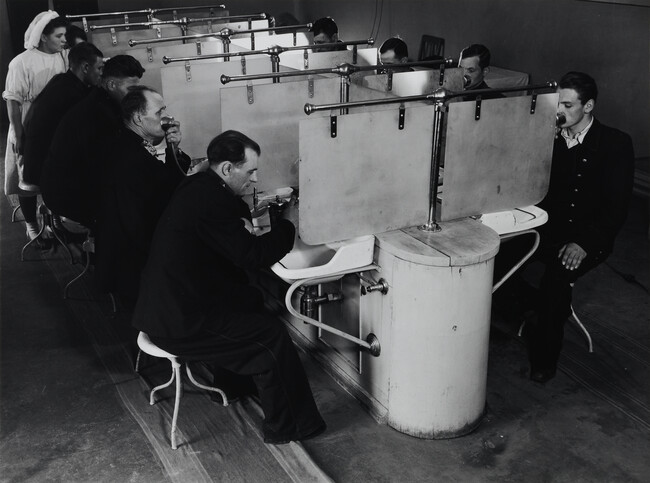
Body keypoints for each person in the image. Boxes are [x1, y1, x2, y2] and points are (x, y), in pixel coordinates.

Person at [132, 130, 326, 445]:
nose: (254, 178)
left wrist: (250, 217)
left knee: (248, 300)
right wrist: (287, 223)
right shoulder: (210, 198)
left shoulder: (200, 185)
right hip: (178, 321)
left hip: (166, 306)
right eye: (249, 171)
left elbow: (223, 236)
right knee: (271, 336)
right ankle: (291, 427)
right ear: (227, 169)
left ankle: (234, 385)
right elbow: (252, 256)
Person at [495, 72, 635, 383]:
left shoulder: (615, 144)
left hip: (588, 237)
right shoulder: (550, 136)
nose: (559, 112)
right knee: (494, 263)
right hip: (548, 228)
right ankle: (536, 311)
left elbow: (616, 209)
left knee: (556, 283)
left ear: (588, 106)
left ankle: (544, 359)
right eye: (557, 104)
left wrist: (584, 243)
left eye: (568, 106)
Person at [96, 86, 192, 309]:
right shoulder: (133, 159)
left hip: (124, 252)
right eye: (159, 113)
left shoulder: (128, 143)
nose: (166, 118)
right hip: (134, 260)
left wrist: (173, 148)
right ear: (139, 119)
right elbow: (169, 193)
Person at [40, 55, 145, 228]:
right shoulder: (99, 114)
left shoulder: (101, 101)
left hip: (67, 184)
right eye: (131, 88)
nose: (136, 94)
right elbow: (106, 168)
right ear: (111, 85)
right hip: (67, 194)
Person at [2, 11, 68, 240]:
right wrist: (20, 137)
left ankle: (57, 218)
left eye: (64, 36)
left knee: (54, 173)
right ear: (43, 37)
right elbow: (13, 102)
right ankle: (31, 224)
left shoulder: (63, 57)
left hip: (54, 123)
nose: (63, 40)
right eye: (59, 36)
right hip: (29, 123)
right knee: (27, 177)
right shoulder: (21, 62)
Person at [21, 42, 104, 196]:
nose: (101, 73)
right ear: (86, 67)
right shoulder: (73, 95)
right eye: (99, 68)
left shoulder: (60, 81)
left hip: (33, 163)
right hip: (44, 170)